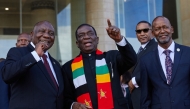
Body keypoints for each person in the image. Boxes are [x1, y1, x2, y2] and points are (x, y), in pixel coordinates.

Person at [62, 19, 137, 109]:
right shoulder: (68, 68)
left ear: (97, 39)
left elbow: (131, 59)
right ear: (77, 43)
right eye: (81, 35)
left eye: (90, 33)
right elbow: (66, 97)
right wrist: (73, 105)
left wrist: (119, 39)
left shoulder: (112, 57)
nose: (86, 37)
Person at [1, 21, 64, 109]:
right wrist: (34, 55)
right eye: (42, 31)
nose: (46, 36)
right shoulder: (18, 52)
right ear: (32, 34)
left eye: (51, 33)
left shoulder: (56, 64)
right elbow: (7, 75)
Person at [140, 16, 190, 109]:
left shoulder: (188, 53)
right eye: (157, 29)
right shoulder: (146, 60)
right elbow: (145, 96)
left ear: (172, 29)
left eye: (165, 27)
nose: (162, 31)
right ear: (153, 33)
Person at [127, 21, 157, 109]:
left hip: (149, 99)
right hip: (137, 98)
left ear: (152, 32)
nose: (142, 34)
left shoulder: (156, 47)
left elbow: (155, 68)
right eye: (139, 31)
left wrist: (134, 81)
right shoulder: (140, 50)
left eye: (145, 30)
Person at [0, 33, 32, 109]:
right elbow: (3, 94)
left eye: (26, 40)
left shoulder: (38, 63)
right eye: (20, 40)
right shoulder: (4, 65)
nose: (23, 42)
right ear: (16, 44)